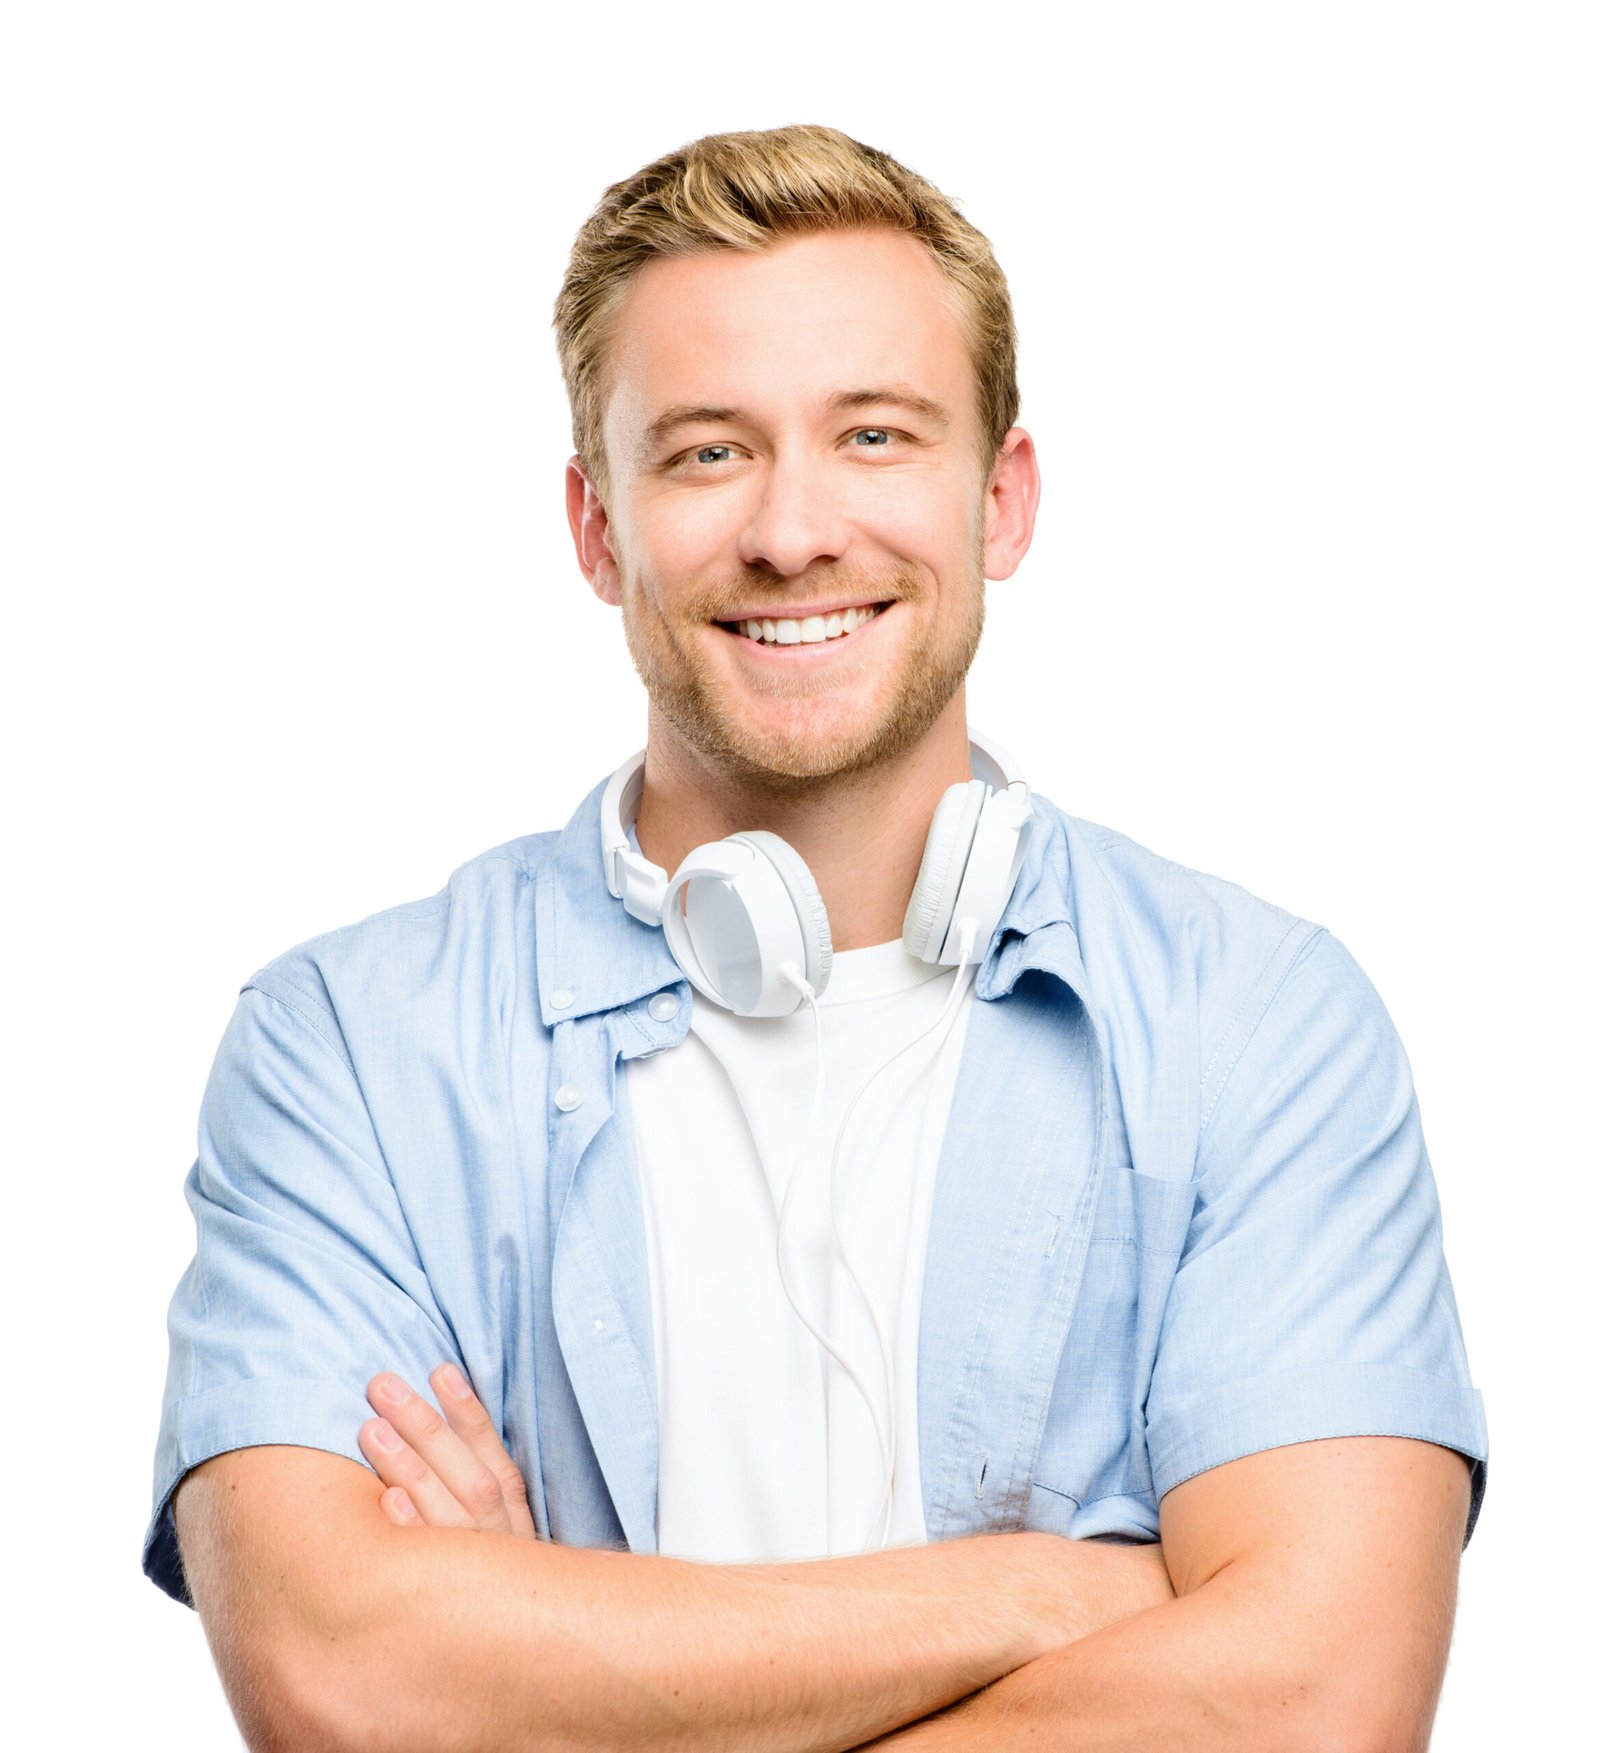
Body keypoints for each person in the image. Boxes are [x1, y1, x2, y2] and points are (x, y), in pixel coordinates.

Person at [147, 125, 1488, 1749]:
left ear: (1002, 499)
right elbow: (350, 1684)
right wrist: (1059, 1592)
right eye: (708, 452)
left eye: (874, 435)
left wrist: (560, 1683)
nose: (794, 531)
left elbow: (1313, 1705)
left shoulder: (1258, 1024)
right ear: (595, 528)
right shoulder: (348, 1051)